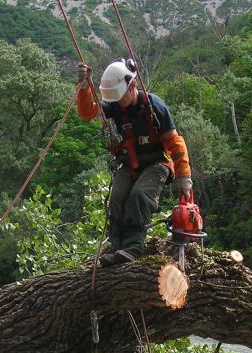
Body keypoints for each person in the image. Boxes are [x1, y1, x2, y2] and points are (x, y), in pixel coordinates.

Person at [76, 58, 193, 267]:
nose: (119, 101)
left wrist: (184, 177)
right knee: (118, 198)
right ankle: (116, 248)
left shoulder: (154, 106)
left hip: (158, 161)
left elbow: (175, 142)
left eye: (121, 97)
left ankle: (132, 248)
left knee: (139, 196)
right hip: (131, 163)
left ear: (133, 86)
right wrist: (85, 88)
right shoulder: (115, 105)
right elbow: (87, 112)